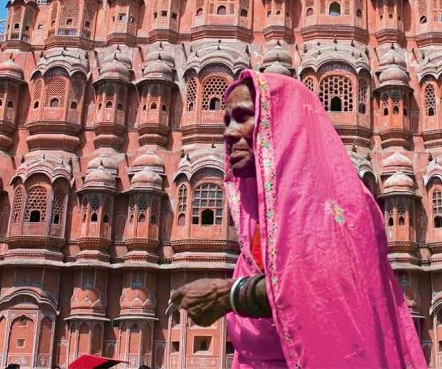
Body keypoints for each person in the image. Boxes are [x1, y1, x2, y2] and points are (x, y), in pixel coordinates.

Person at [171, 71, 427, 368]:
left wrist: (230, 295)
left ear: (282, 123)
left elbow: (327, 291)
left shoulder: (333, 205)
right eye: (227, 121)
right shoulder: (259, 221)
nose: (229, 133)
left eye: (243, 117)